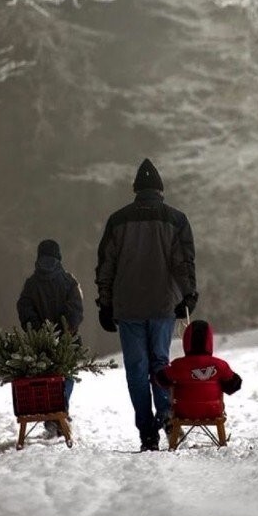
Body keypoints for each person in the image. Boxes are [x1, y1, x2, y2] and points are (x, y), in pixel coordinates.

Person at [95, 158, 198, 451]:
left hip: (128, 307)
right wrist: (188, 295)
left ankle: (146, 432)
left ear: (136, 190)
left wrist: (105, 303)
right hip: (163, 304)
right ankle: (166, 414)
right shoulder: (176, 220)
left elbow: (106, 266)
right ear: (161, 190)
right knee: (160, 364)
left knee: (136, 370)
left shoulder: (118, 221)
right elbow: (183, 263)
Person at [16, 239, 83, 434]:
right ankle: (60, 410)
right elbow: (76, 311)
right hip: (67, 341)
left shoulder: (30, 284)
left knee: (44, 378)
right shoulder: (70, 282)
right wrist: (65, 332)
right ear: (59, 258)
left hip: (39, 344)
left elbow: (24, 310)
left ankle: (51, 412)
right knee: (67, 374)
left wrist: (39, 332)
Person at [156, 319, 242, 420]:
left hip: (183, 411)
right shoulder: (220, 365)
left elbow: (161, 379)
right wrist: (221, 385)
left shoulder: (178, 365)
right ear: (209, 341)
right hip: (213, 410)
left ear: (186, 341)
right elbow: (234, 385)